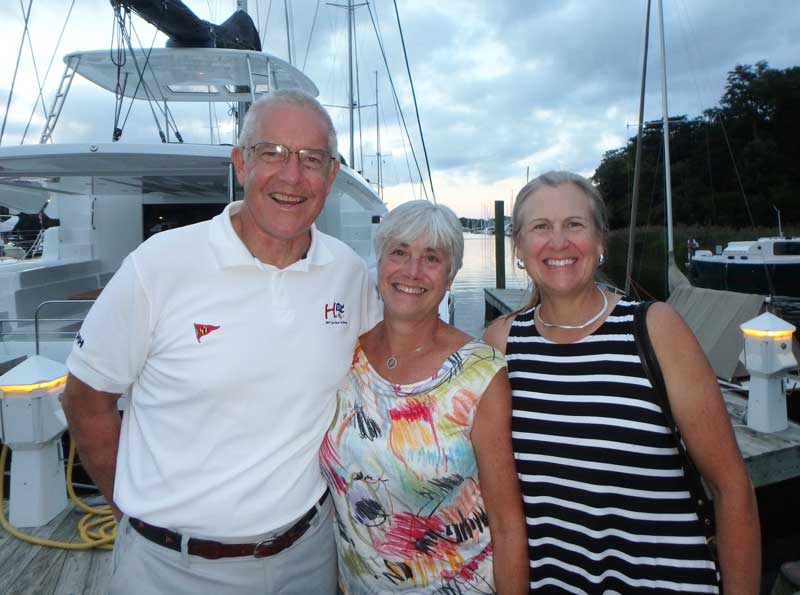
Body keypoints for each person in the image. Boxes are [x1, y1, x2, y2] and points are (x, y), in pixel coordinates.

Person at [61, 89, 381, 595]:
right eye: (271, 153)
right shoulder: (159, 265)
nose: (291, 175)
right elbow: (85, 399)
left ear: (332, 175)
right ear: (241, 163)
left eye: (311, 159)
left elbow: (389, 370)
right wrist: (140, 516)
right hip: (169, 570)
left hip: (309, 556)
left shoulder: (347, 273)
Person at [484, 171, 761, 595]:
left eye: (574, 224)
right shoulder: (501, 343)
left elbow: (730, 487)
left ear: (599, 241)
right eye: (541, 227)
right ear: (518, 247)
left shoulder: (654, 329)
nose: (558, 242)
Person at [320, 200, 529, 594]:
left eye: (431, 258)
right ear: (379, 263)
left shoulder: (480, 372)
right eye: (399, 252)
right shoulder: (347, 354)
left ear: (449, 278)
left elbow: (507, 523)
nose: (412, 271)